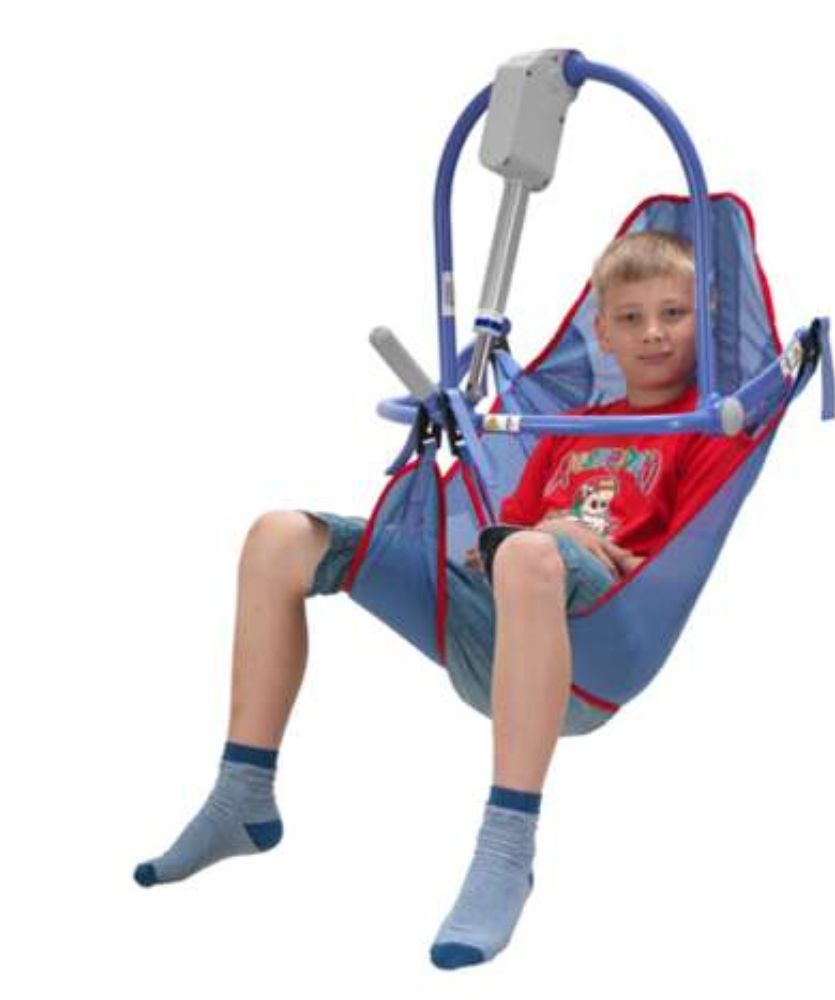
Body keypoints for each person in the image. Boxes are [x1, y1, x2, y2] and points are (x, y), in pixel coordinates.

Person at [132, 230, 755, 970]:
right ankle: (243, 795)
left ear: (704, 317)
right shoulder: (565, 432)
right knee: (279, 537)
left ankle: (507, 851)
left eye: (673, 313)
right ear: (602, 333)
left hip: (598, 644)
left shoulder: (708, 429)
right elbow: (500, 537)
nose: (652, 332)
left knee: (529, 554)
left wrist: (549, 541)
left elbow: (672, 567)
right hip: (500, 624)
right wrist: (539, 537)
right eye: (631, 317)